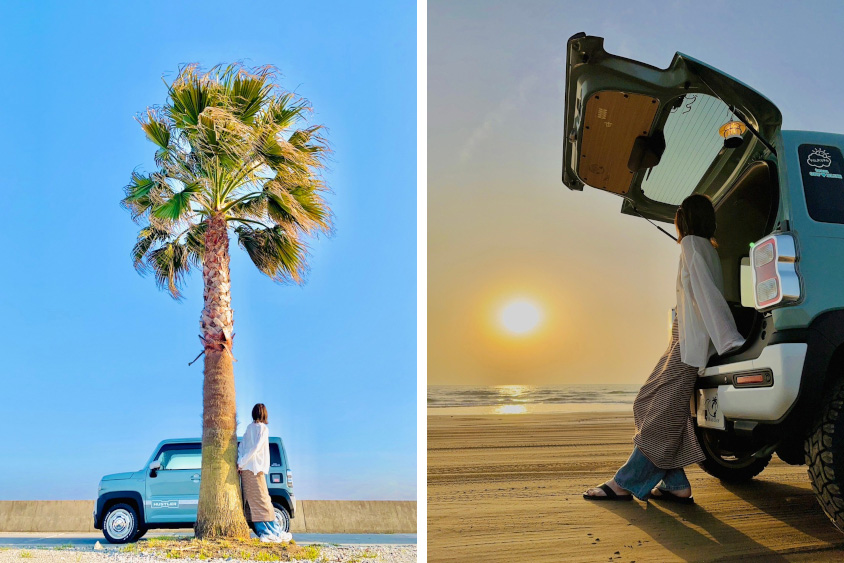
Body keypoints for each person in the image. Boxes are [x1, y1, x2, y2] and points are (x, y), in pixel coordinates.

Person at [583, 194, 745, 503]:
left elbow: (707, 297)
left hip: (690, 344)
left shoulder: (693, 246)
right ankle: (675, 482)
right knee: (646, 401)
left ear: (684, 219)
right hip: (681, 338)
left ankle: (625, 482)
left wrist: (727, 339)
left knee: (662, 412)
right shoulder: (704, 247)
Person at [238, 403, 293, 542]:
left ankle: (269, 531)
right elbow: (256, 448)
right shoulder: (263, 428)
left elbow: (242, 447)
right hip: (255, 469)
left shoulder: (248, 428)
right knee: (262, 501)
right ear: (264, 414)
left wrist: (240, 463)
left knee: (254, 502)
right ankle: (272, 532)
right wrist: (243, 462)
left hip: (245, 471)